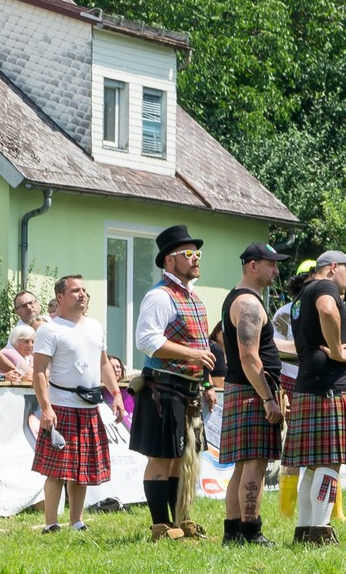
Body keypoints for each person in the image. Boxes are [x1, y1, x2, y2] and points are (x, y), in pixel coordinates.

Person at [132, 225, 217, 542]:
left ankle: (181, 521)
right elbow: (147, 341)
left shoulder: (192, 297)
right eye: (189, 254)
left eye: (198, 253)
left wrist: (206, 383)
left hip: (189, 389)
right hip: (162, 388)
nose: (196, 259)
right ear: (170, 260)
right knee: (161, 458)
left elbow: (201, 345)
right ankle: (160, 526)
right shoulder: (159, 296)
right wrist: (193, 355)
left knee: (183, 457)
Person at [32, 274, 125, 534]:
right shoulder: (49, 329)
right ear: (60, 297)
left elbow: (103, 363)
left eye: (84, 290)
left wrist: (116, 394)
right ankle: (51, 523)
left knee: (82, 469)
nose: (82, 294)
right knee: (56, 469)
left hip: (89, 406)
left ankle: (76, 521)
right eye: (75, 291)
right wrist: (47, 407)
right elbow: (39, 371)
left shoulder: (95, 326)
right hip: (60, 406)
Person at [284, 250, 346, 545]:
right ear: (332, 268)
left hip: (308, 385)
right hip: (329, 388)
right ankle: (321, 531)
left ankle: (304, 530)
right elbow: (328, 311)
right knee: (330, 463)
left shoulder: (300, 295)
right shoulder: (325, 288)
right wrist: (338, 349)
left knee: (313, 465)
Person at [219, 242, 292, 546]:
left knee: (243, 463)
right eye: (270, 264)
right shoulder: (248, 303)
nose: (276, 270)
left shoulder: (242, 299)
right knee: (255, 463)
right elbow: (250, 358)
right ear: (253, 265)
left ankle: (232, 532)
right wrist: (268, 398)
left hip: (243, 389)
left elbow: (265, 349)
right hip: (252, 391)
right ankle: (251, 531)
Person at [272, 260, 313, 519]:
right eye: (310, 280)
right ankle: (286, 510)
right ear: (300, 282)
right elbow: (275, 350)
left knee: (323, 449)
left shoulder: (325, 307)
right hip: (292, 382)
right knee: (293, 448)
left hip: (317, 381)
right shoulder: (285, 313)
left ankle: (335, 509)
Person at [104, 355, 135, 429]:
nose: (116, 370)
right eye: (112, 367)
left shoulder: (130, 390)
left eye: (118, 367)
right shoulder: (101, 390)